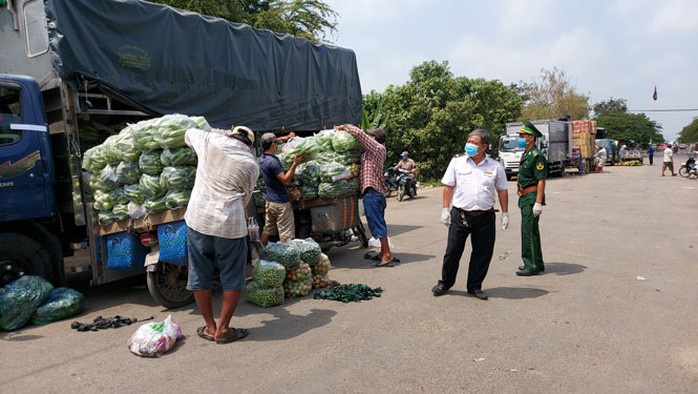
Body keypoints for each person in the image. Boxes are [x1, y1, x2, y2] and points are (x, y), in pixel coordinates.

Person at [184, 125, 259, 344]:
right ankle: (224, 330)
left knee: (199, 274)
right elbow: (245, 197)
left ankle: (210, 326)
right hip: (230, 225)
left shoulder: (210, 141)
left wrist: (217, 133)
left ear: (231, 134)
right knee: (232, 277)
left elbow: (188, 132)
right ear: (250, 145)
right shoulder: (251, 164)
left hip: (199, 220)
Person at [431, 129, 509, 299]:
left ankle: (474, 286)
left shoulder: (495, 165)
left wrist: (505, 213)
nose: (469, 145)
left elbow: (502, 190)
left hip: (485, 217)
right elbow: (448, 186)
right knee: (452, 251)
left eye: (474, 143)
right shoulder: (457, 162)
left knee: (482, 253)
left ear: (484, 146)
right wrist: (445, 209)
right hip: (460, 215)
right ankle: (445, 282)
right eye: (469, 141)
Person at [337, 124, 396, 267]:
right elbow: (355, 172)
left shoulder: (377, 148)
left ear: (375, 138)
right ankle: (383, 252)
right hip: (373, 193)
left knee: (376, 223)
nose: (368, 137)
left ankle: (387, 255)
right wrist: (336, 177)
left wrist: (344, 127)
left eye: (371, 135)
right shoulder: (368, 155)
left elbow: (359, 134)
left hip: (373, 192)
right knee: (378, 222)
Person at [259, 132, 305, 245]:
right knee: (285, 234)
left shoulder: (262, 159)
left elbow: (272, 140)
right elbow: (285, 180)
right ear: (273, 145)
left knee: (267, 230)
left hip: (270, 202)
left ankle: (259, 254)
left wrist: (288, 138)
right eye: (275, 144)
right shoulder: (273, 162)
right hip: (281, 203)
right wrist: (295, 164)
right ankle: (286, 257)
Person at [516, 121, 547, 276]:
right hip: (525, 196)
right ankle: (537, 262)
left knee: (527, 231)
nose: (520, 138)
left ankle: (531, 264)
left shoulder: (537, 155)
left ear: (531, 138)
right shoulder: (527, 154)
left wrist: (538, 202)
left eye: (523, 135)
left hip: (532, 197)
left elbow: (541, 180)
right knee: (532, 231)